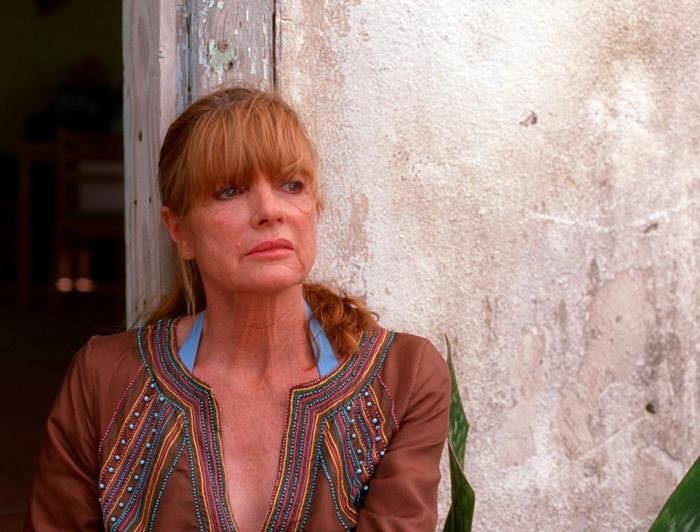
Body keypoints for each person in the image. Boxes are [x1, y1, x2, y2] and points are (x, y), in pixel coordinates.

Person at [26, 87, 451, 531]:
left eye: (291, 185)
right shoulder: (104, 380)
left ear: (314, 207)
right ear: (179, 230)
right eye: (229, 191)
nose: (270, 210)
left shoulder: (402, 378)